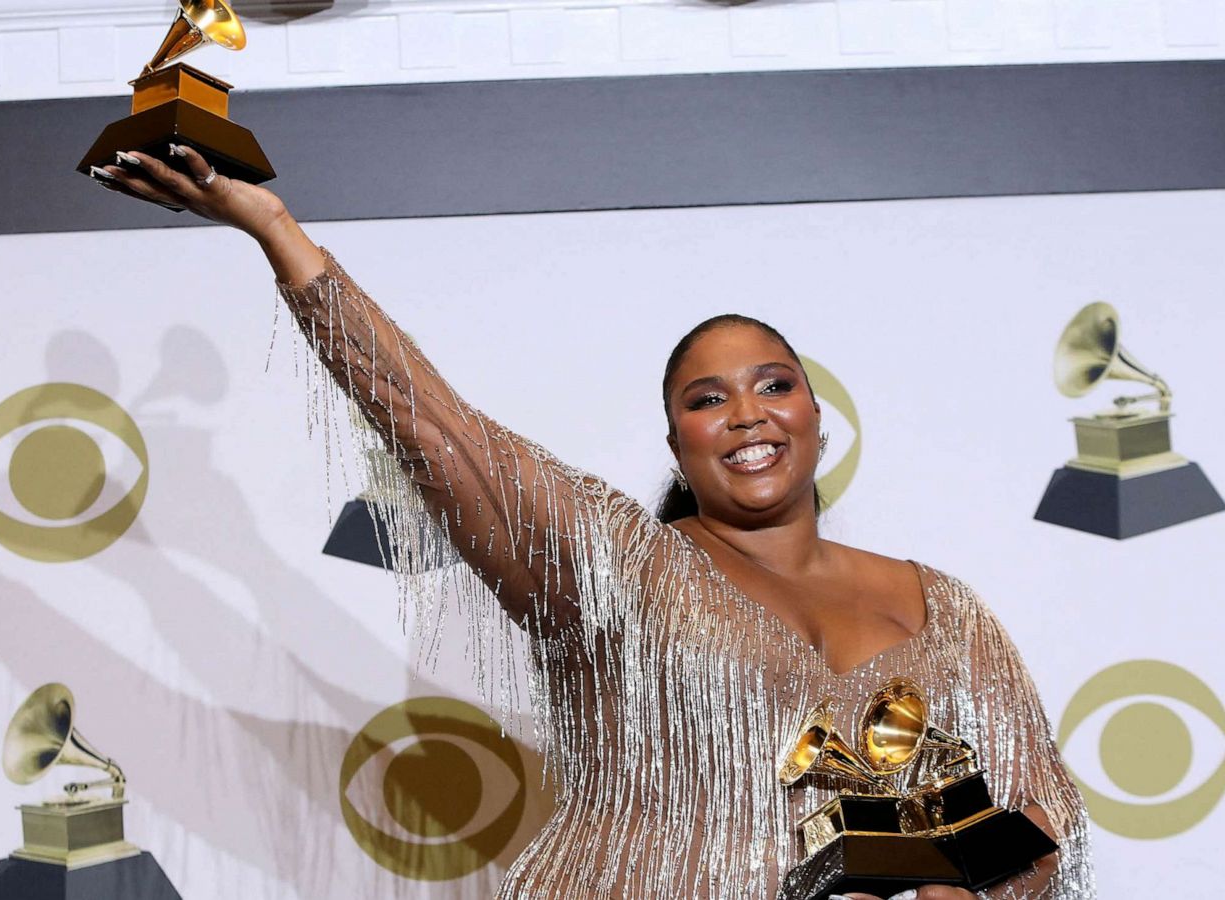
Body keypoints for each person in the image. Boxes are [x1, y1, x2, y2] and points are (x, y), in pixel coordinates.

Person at [94, 147, 1094, 899]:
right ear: (676, 444)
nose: (744, 413)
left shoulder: (939, 604)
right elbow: (438, 425)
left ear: (814, 417)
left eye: (771, 385)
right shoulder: (610, 562)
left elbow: (1041, 801)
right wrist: (278, 232)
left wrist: (954, 888)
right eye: (707, 400)